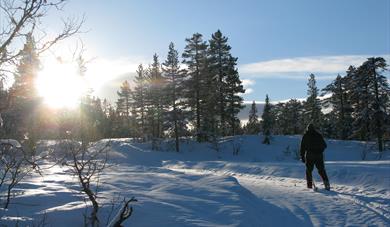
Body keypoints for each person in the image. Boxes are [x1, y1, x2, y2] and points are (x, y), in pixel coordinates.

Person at [300, 123, 330, 190]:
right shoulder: (319, 135)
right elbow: (324, 145)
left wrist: (302, 157)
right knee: (321, 170)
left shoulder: (305, 136)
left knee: (309, 171)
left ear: (307, 129)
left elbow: (302, 147)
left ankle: (309, 185)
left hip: (310, 156)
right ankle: (327, 184)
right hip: (319, 156)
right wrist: (320, 151)